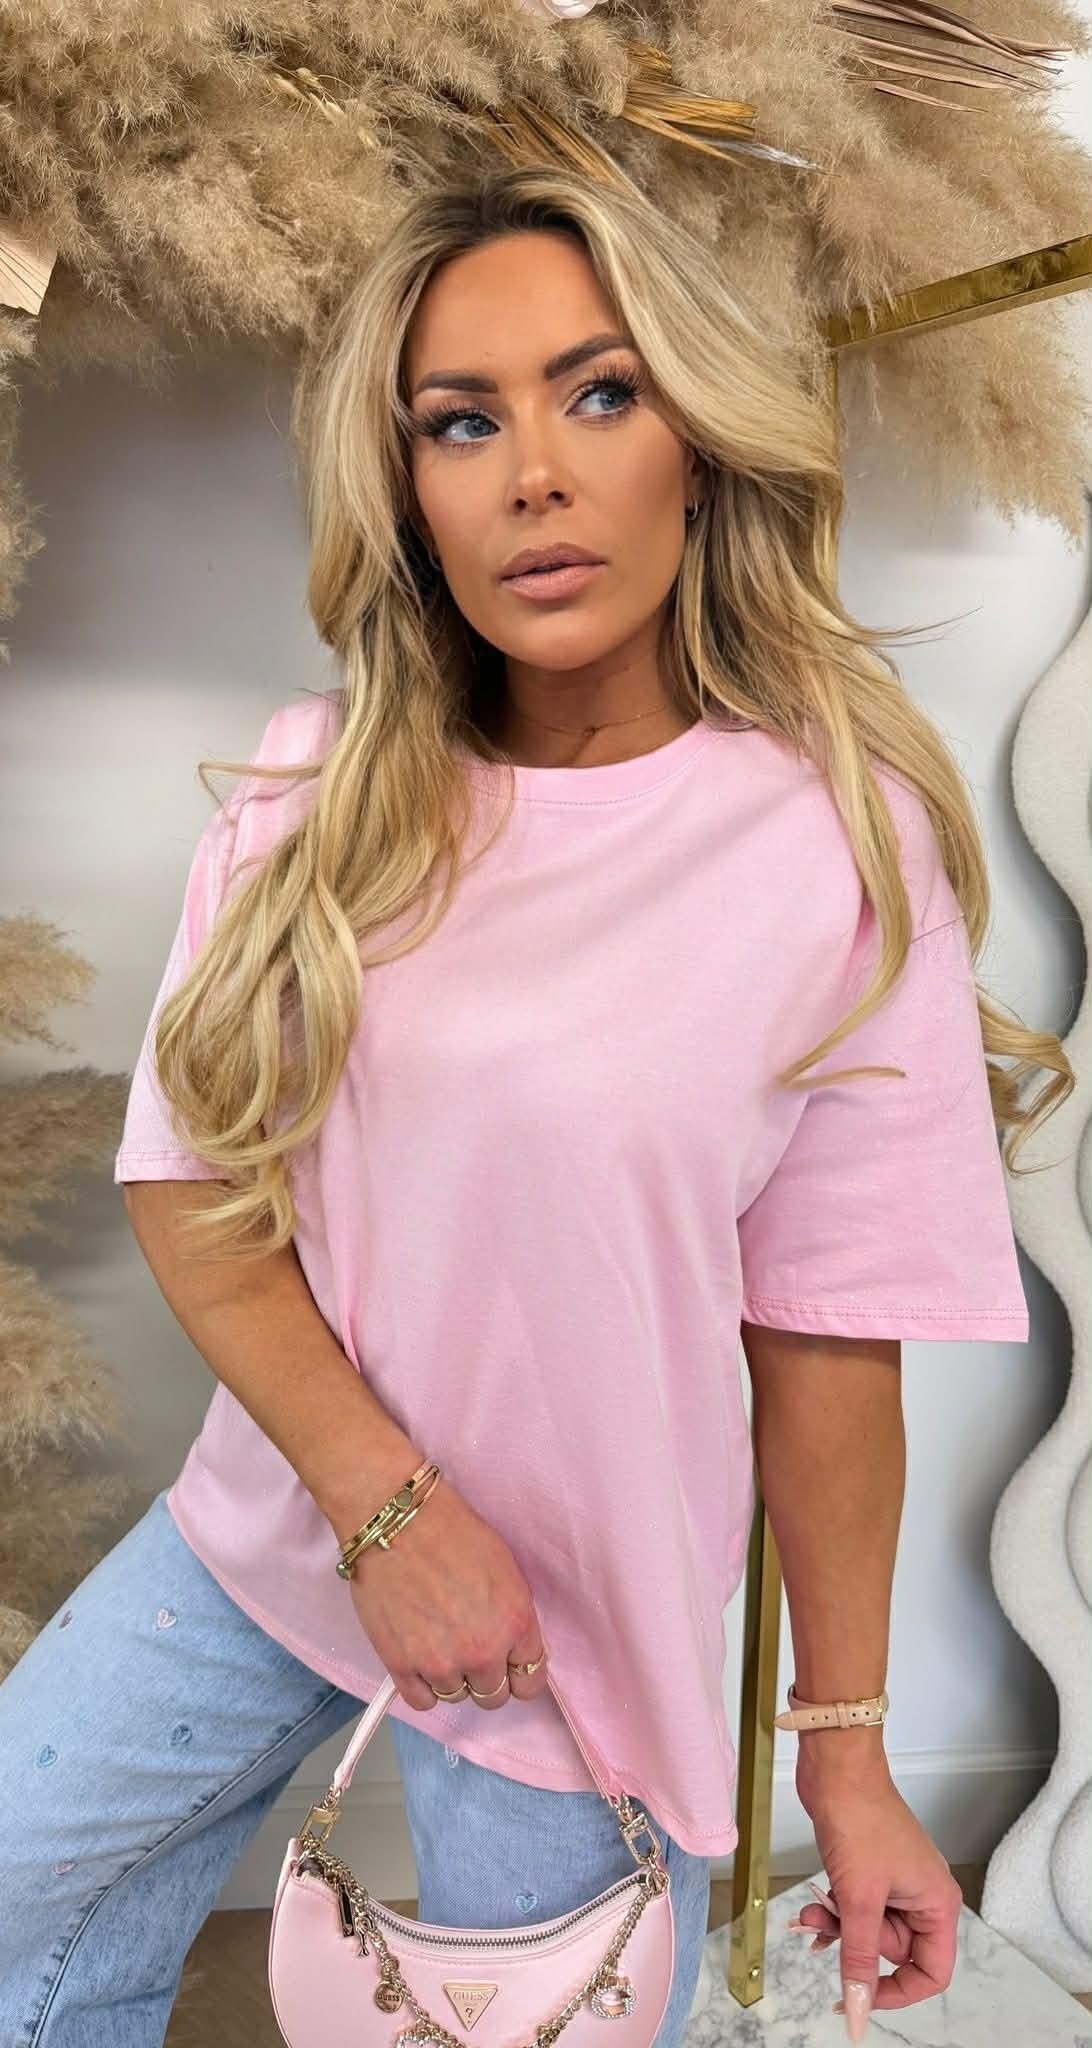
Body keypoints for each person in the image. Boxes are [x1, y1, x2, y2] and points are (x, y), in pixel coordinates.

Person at [0, 163, 1068, 2048]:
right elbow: (190, 1184)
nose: (535, 477)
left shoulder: (839, 842)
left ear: (697, 446)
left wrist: (846, 1754)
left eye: (599, 393)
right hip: (281, 1530)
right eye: (462, 422)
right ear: (408, 490)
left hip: (580, 1646)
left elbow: (829, 1330)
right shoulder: (315, 799)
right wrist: (390, 1513)